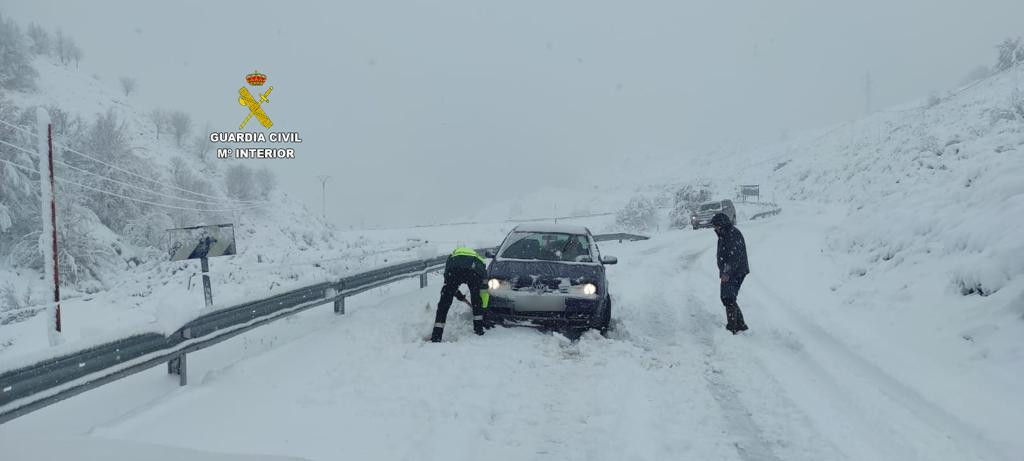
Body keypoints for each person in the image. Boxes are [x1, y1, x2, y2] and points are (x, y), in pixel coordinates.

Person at [431, 247, 490, 342]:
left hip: (454, 269)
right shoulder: (481, 263)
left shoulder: (452, 256)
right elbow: (484, 292)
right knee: (476, 299)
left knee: (444, 303)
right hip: (473, 271)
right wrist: (483, 309)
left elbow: (449, 283)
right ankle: (479, 329)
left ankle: (436, 336)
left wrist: (458, 295)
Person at [712, 213, 750, 334]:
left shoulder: (732, 234)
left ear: (722, 224)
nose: (715, 229)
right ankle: (740, 325)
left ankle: (733, 326)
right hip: (731, 271)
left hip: (735, 271)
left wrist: (726, 273)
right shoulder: (724, 234)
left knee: (728, 297)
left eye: (716, 226)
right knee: (729, 297)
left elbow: (734, 257)